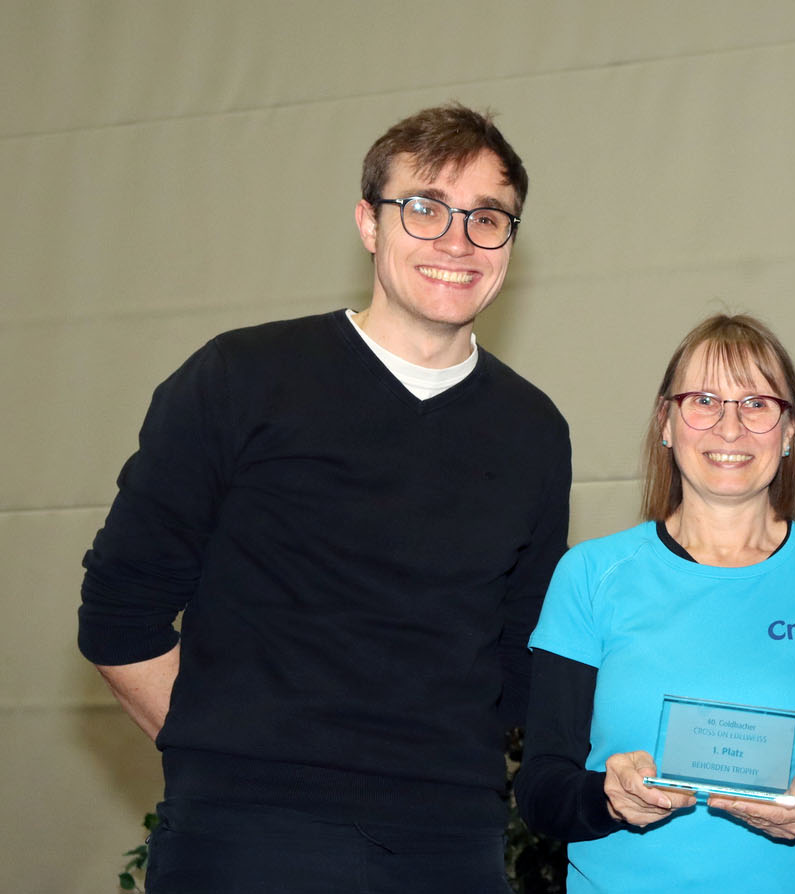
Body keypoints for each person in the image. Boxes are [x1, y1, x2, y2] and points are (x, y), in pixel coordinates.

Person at [77, 103, 570, 893]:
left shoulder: (534, 430)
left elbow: (518, 660)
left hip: (453, 840)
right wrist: (226, 754)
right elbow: (117, 614)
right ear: (368, 224)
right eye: (424, 208)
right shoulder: (241, 378)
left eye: (487, 217)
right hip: (248, 837)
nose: (456, 240)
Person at [515, 314, 795, 893]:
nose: (730, 427)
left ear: (790, 431)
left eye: (758, 403)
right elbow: (540, 790)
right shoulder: (590, 575)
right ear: (666, 422)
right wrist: (607, 798)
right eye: (704, 400)